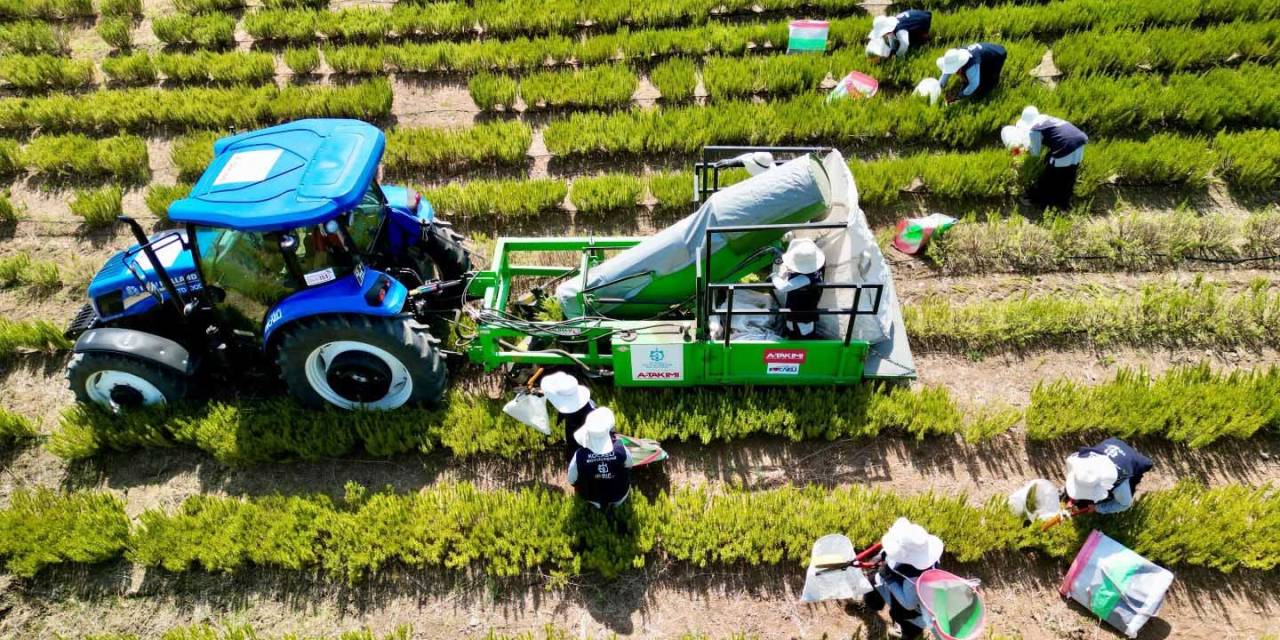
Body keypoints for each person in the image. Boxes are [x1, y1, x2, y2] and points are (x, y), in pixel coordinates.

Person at [862, 518, 944, 640]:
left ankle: (903, 633)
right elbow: (892, 549)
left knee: (908, 625)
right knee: (873, 581)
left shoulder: (915, 579)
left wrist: (889, 578)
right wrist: (881, 555)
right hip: (900, 586)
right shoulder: (926, 553)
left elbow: (909, 604)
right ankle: (872, 604)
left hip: (913, 611)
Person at [1007, 106, 1089, 211]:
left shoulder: (1034, 130)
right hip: (1080, 142)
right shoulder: (1046, 119)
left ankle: (1042, 204)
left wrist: (1019, 151)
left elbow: (1035, 152)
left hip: (1064, 147)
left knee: (1050, 177)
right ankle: (1064, 205)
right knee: (1069, 175)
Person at [1064, 437, 1153, 515]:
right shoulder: (1083, 458)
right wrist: (1072, 499)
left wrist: (1097, 508)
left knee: (1121, 497)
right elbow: (1080, 478)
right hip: (1113, 444)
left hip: (1131, 462)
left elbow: (1125, 505)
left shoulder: (1119, 485)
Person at [567, 408, 634, 510]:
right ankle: (616, 508)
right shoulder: (621, 449)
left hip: (592, 498)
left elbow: (571, 479)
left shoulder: (579, 455)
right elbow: (629, 464)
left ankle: (596, 509)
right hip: (620, 494)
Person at [771, 238, 826, 339]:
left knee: (803, 334)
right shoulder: (816, 267)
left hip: (802, 311)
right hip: (801, 307)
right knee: (793, 328)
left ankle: (804, 348)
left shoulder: (806, 278)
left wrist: (774, 276)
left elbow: (782, 287)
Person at [540, 371, 596, 460]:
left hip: (583, 428)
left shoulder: (586, 411)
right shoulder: (572, 397)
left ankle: (576, 458)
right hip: (576, 421)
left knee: (576, 443)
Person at [937, 43, 1007, 103]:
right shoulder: (955, 56)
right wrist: (939, 86)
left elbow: (974, 84)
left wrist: (959, 96)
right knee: (969, 76)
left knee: (986, 85)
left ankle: (992, 86)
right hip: (982, 55)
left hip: (997, 56)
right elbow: (946, 72)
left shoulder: (971, 66)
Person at [866, 10, 932, 60]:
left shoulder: (900, 30)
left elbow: (905, 44)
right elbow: (891, 37)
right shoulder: (892, 26)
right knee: (901, 39)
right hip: (914, 17)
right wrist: (893, 50)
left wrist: (897, 56)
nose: (884, 35)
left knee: (915, 41)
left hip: (923, 19)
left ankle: (926, 39)